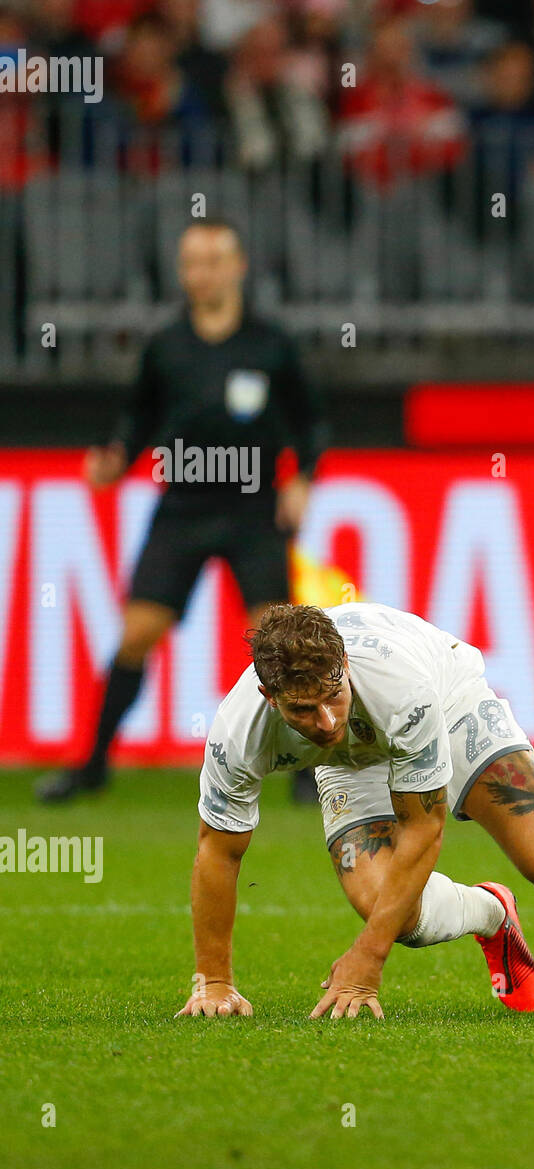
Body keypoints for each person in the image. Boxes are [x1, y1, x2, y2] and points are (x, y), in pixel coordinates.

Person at [174, 601, 534, 1020]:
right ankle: (494, 913)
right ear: (269, 696)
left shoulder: (400, 689)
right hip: (348, 763)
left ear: (344, 663)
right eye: (302, 710)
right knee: (391, 910)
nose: (325, 721)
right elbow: (219, 852)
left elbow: (423, 826)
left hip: (449, 704)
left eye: (332, 696)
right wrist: (214, 982)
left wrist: (369, 956)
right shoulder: (238, 732)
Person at [35, 218, 328, 805]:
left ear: (238, 265)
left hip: (252, 507)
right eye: (191, 262)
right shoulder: (166, 343)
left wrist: (303, 478)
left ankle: (307, 771)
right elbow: (137, 416)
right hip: (184, 504)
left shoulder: (270, 342)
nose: (200, 273)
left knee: (280, 643)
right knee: (138, 632)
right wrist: (117, 455)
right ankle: (93, 764)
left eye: (212, 260)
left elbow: (311, 420)